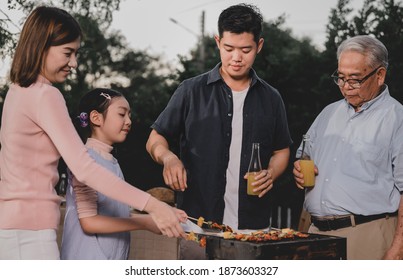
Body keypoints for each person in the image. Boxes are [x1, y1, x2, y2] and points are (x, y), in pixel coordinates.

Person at [0, 6, 186, 260]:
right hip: (29, 231)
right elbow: (85, 169)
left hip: (15, 227)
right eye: (68, 52)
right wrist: (153, 205)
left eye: (76, 53)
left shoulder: (18, 91)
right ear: (42, 46)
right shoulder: (45, 95)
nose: (74, 63)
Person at [146, 3, 292, 258]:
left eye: (245, 50)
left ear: (259, 46)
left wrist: (271, 172)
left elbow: (282, 150)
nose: (236, 57)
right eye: (229, 48)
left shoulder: (272, 98)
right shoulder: (190, 90)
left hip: (254, 228)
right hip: (196, 224)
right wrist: (168, 158)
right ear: (217, 42)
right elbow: (155, 138)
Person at [293, 35, 403, 260]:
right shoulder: (327, 113)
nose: (345, 87)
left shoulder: (396, 118)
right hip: (316, 235)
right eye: (340, 78)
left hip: (367, 236)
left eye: (355, 79)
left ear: (379, 75)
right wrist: (298, 169)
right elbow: (304, 156)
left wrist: (397, 251)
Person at [61, 88, 163, 259]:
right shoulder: (85, 160)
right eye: (122, 114)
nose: (129, 121)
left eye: (129, 115)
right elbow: (89, 222)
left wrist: (157, 216)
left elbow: (114, 212)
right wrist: (145, 223)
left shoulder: (112, 162)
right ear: (96, 118)